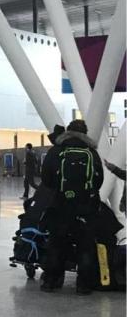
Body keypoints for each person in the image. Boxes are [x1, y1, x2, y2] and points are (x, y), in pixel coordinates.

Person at [40, 120, 104, 294]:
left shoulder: (56, 150)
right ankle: (83, 285)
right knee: (85, 246)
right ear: (86, 133)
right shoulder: (91, 152)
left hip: (60, 205)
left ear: (67, 132)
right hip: (85, 208)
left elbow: (46, 178)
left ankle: (51, 281)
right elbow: (98, 181)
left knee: (56, 243)